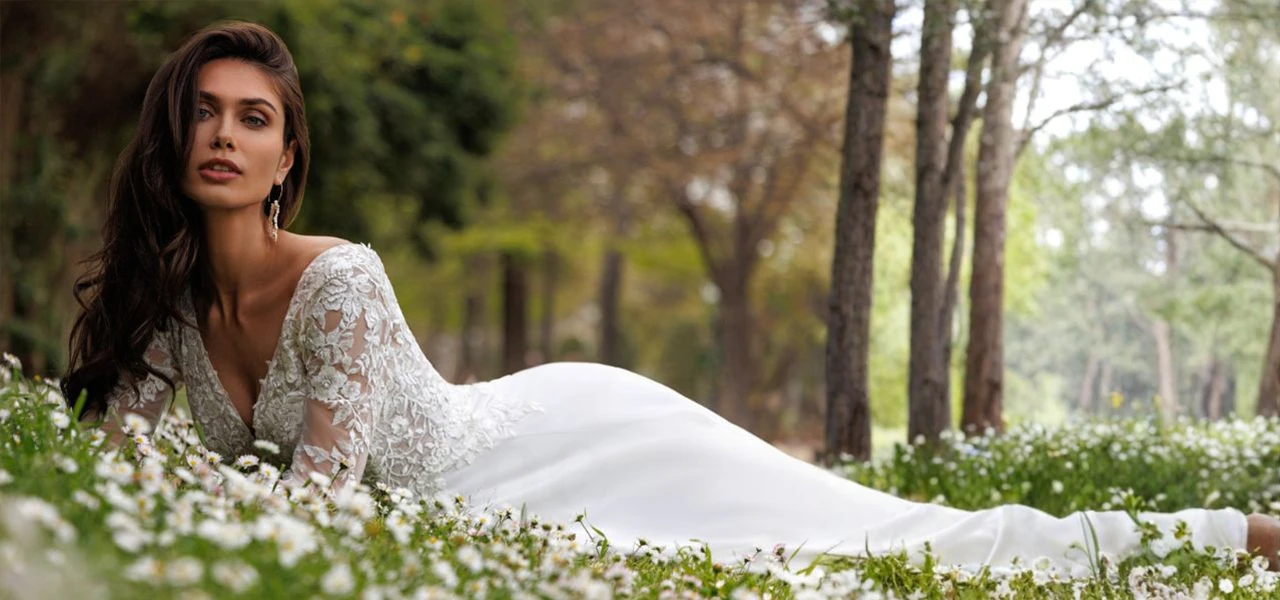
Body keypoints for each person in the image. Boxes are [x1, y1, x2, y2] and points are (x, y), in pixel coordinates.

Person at [61, 20, 1280, 573]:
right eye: (206, 112)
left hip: (573, 445)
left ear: (287, 158)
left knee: (903, 541)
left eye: (255, 117)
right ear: (175, 136)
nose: (226, 135)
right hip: (494, 507)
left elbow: (313, 505)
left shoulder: (337, 280)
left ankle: (1236, 535)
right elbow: (119, 472)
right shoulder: (167, 317)